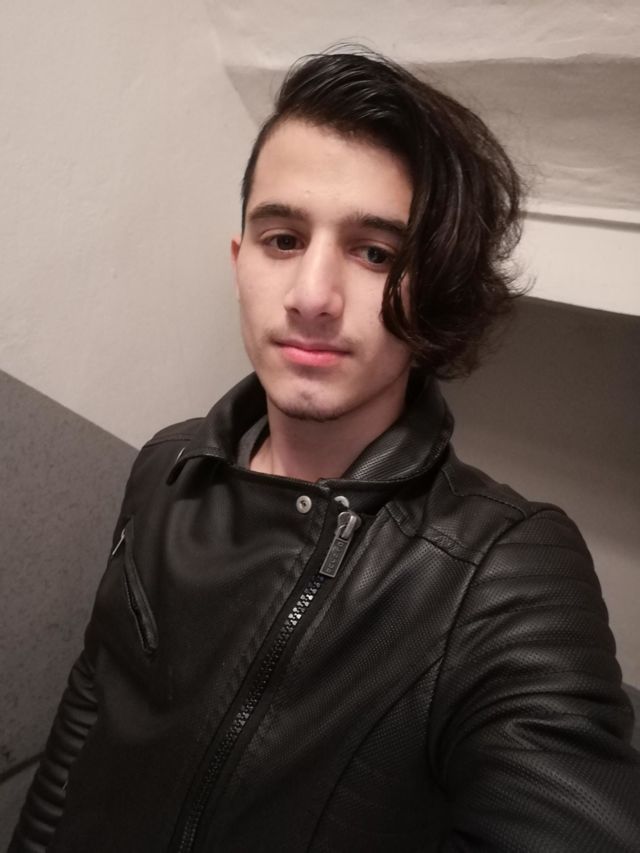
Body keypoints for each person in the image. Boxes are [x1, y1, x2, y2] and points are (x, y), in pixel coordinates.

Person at [10, 49, 640, 853]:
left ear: (432, 288)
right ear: (239, 264)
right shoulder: (167, 465)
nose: (312, 296)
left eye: (375, 253)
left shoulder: (507, 574)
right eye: (282, 238)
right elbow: (87, 723)